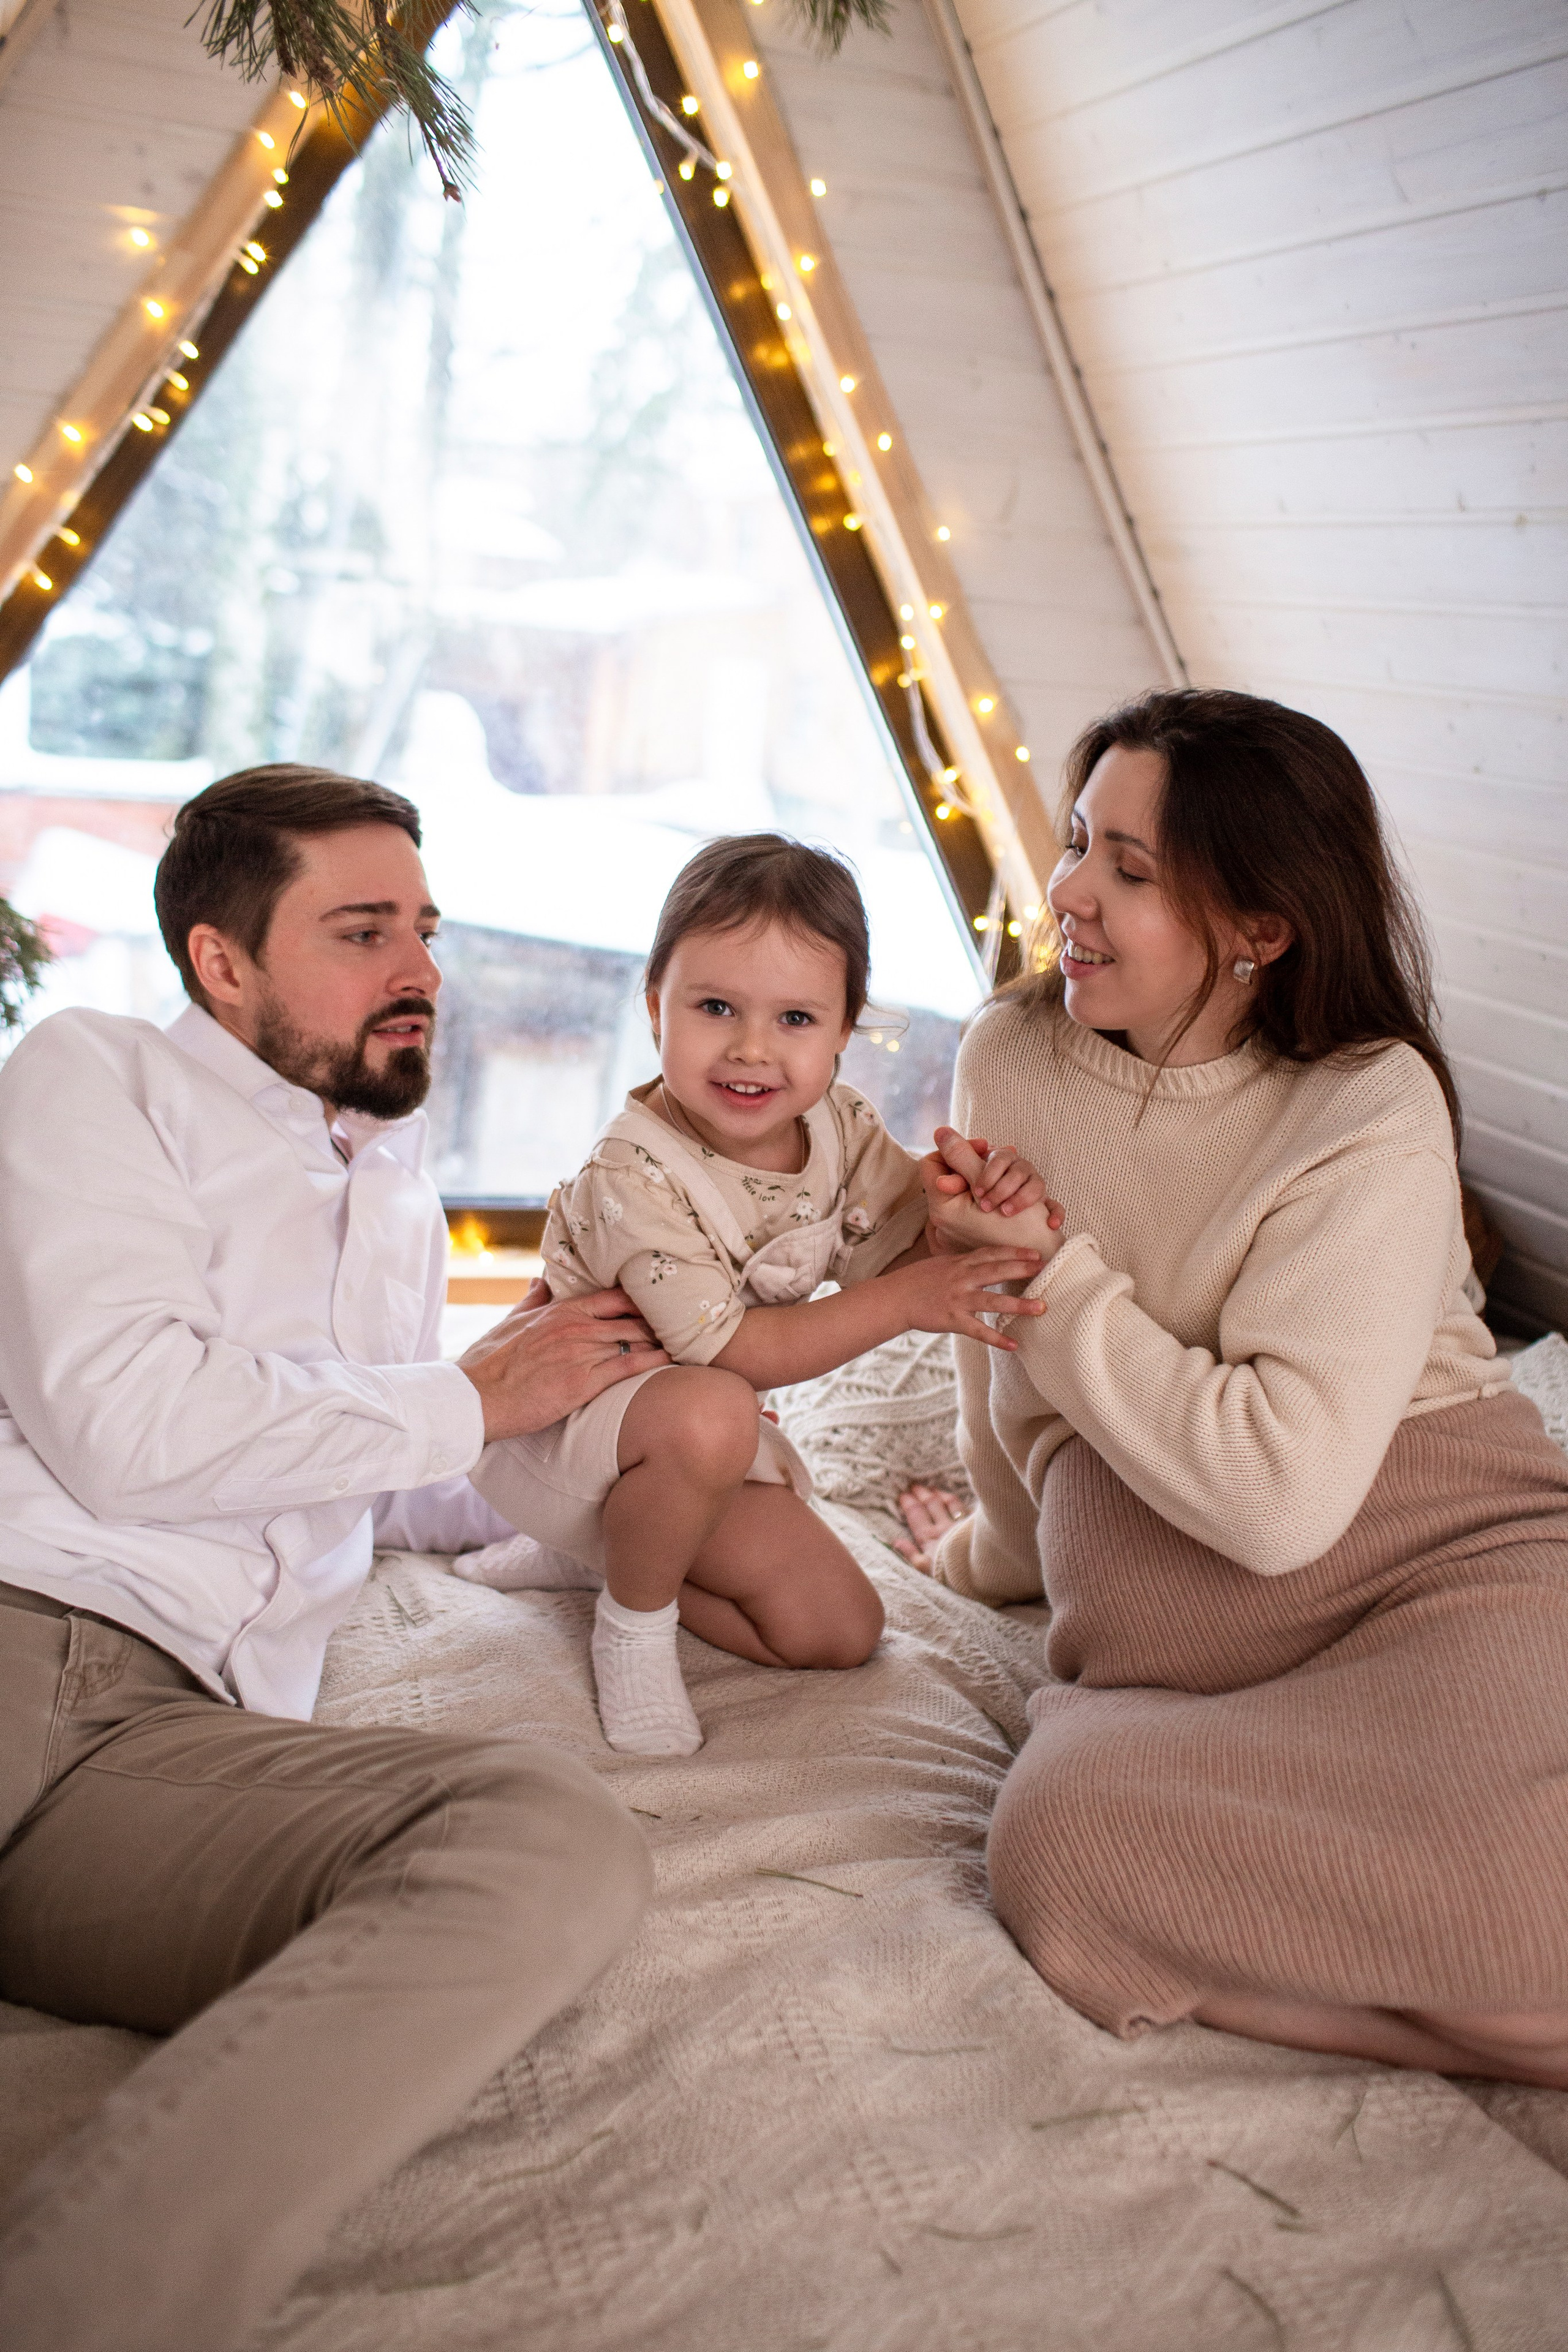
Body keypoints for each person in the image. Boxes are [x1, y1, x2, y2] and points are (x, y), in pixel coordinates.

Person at [0, 764, 663, 2352]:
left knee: (550, 1843)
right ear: (221, 962)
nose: (420, 967)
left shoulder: (396, 1202)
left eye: (425, 929)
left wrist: (608, 1474)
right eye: (363, 932)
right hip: (24, 1626)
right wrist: (467, 1397)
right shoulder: (96, 1076)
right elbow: (128, 1424)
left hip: (176, 1745)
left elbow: (374, 1483)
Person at [900, 688, 1568, 2089]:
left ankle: (1476, 2016)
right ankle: (1495, 2027)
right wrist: (991, 1550)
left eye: (1129, 870)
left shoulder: (1368, 1103)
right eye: (1075, 842)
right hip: (1173, 1653)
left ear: (1260, 928)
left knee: (1533, 1896)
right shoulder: (1009, 1057)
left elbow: (1275, 1502)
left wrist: (1060, 1275)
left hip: (1439, 1572)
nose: (1067, 894)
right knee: (1057, 1847)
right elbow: (992, 1358)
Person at [473, 833, 1057, 1757]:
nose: (752, 1049)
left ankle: (605, 1556)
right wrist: (908, 1301)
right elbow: (733, 1352)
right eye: (715, 1008)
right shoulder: (633, 1171)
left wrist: (968, 1208)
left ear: (844, 1028)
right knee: (713, 1405)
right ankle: (631, 1627)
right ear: (655, 1006)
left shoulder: (839, 1125)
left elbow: (897, 1254)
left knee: (837, 1630)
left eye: (795, 1019)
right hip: (567, 1439)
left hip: (691, 1459)